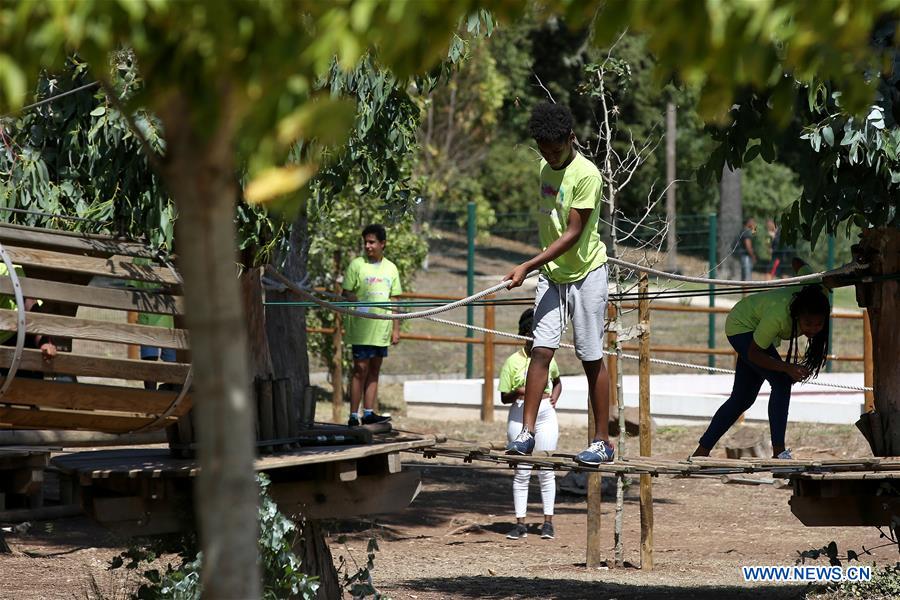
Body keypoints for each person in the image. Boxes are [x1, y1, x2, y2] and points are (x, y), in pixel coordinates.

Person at [503, 102, 613, 466]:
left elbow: (572, 234)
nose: (550, 157)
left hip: (586, 273)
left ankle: (602, 441)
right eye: (544, 151)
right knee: (541, 349)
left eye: (556, 150)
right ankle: (526, 433)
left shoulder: (588, 175)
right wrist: (539, 268)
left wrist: (528, 265)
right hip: (553, 274)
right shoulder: (543, 169)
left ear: (571, 138)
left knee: (590, 355)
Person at [692, 258, 830, 460]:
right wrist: (786, 368)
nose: (813, 329)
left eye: (819, 324)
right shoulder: (778, 316)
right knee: (781, 383)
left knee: (742, 399)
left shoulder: (820, 294)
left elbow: (799, 264)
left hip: (757, 330)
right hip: (741, 326)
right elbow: (754, 353)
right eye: (808, 323)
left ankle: (701, 452)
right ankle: (779, 453)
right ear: (798, 315)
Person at [501, 309, 562, 541]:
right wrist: (519, 392)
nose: (533, 338)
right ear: (524, 334)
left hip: (546, 415)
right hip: (519, 415)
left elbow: (557, 381)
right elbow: (504, 397)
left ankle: (548, 522)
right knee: (522, 471)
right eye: (529, 333)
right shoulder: (512, 362)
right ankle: (520, 523)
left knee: (546, 469)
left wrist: (555, 395)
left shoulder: (548, 357)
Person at [342, 223, 400, 427]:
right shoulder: (356, 265)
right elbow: (346, 292)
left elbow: (394, 299)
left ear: (382, 244)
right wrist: (355, 301)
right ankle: (352, 415)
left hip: (381, 329)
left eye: (372, 242)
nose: (368, 246)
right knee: (360, 369)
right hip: (360, 328)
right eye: (365, 242)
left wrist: (396, 329)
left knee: (374, 369)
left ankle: (368, 413)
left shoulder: (391, 268)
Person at [735, 217, 757, 281]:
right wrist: (753, 256)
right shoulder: (747, 232)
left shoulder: (744, 230)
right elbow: (748, 247)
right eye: (753, 222)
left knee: (744, 277)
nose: (755, 224)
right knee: (747, 277)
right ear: (749, 222)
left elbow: (754, 235)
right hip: (746, 256)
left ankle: (744, 290)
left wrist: (754, 228)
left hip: (743, 256)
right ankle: (746, 291)